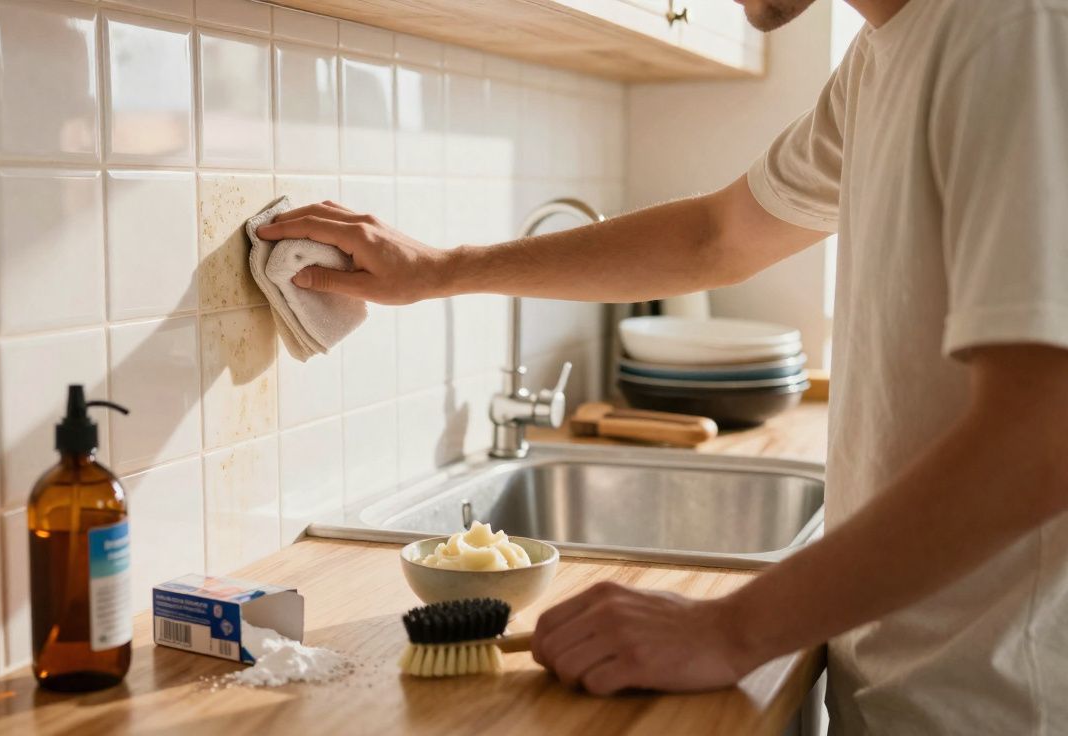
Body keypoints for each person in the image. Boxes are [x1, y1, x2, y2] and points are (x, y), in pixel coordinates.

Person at [256, 0, 1068, 731]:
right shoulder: (887, 51)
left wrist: (727, 628)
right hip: (908, 687)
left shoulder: (1010, 26)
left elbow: (1042, 438)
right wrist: (443, 269)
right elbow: (719, 235)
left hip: (999, 703)